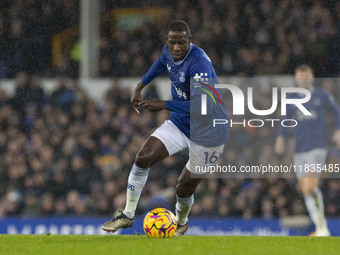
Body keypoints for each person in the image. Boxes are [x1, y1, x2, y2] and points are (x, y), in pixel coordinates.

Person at [102, 20, 229, 235]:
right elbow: (161, 63)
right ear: (167, 42)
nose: (177, 48)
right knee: (142, 158)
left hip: (209, 133)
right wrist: (140, 86)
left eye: (182, 43)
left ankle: (181, 222)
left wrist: (164, 104)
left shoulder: (199, 65)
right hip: (181, 122)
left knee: (183, 187)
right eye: (172, 43)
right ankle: (128, 214)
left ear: (190, 41)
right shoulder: (168, 52)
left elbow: (205, 106)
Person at [274, 64, 340, 236]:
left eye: (306, 75)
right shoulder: (292, 98)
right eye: (299, 76)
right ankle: (320, 226)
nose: (303, 79)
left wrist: (338, 131)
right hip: (299, 150)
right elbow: (284, 120)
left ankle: (322, 228)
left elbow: (337, 113)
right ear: (296, 78)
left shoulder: (322, 95)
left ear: (312, 77)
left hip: (317, 147)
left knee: (310, 186)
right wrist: (281, 137)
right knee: (306, 190)